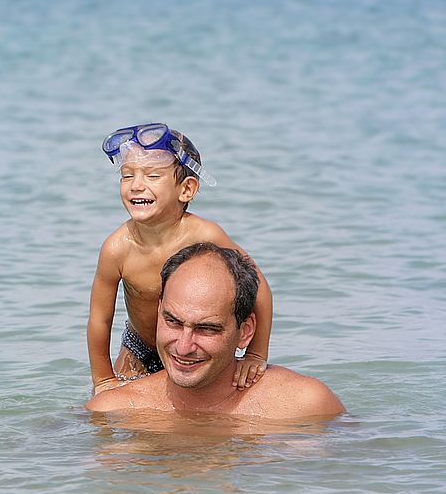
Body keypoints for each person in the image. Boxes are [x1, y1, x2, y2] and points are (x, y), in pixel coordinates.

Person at [88, 123, 273, 395]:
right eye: (127, 176)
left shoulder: (205, 235)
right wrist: (103, 381)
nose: (136, 186)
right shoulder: (117, 248)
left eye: (152, 176)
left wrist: (255, 354)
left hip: (197, 344)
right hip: (139, 347)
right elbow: (99, 320)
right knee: (122, 417)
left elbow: (259, 290)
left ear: (186, 189)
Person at [86, 242, 345, 418]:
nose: (184, 347)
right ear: (159, 312)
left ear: (245, 332)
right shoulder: (114, 412)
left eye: (206, 329)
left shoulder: (305, 406)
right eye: (173, 322)